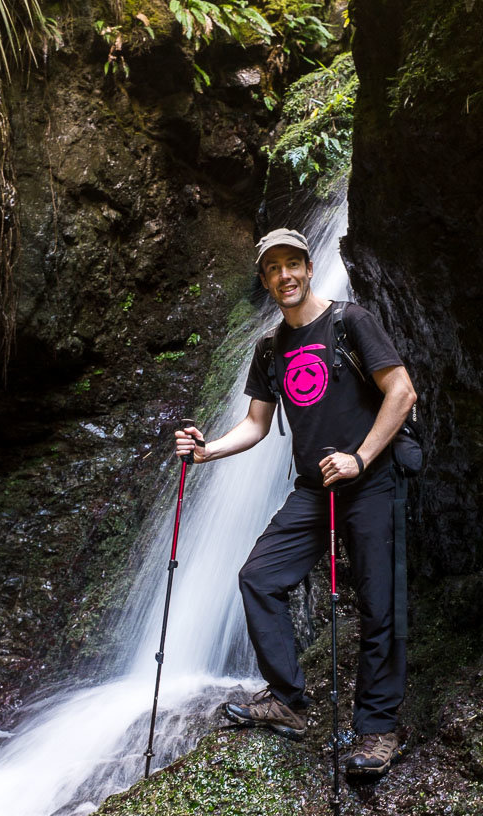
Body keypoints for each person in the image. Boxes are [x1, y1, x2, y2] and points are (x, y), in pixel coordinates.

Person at [175, 228, 417, 776]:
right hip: (313, 489)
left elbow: (401, 391)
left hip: (371, 481)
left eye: (292, 265)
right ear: (265, 281)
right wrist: (206, 451)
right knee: (258, 576)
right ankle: (288, 698)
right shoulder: (270, 349)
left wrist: (360, 456)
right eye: (272, 270)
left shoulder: (349, 322)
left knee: (381, 605)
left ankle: (378, 730)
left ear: (309, 269)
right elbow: (257, 425)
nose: (284, 276)